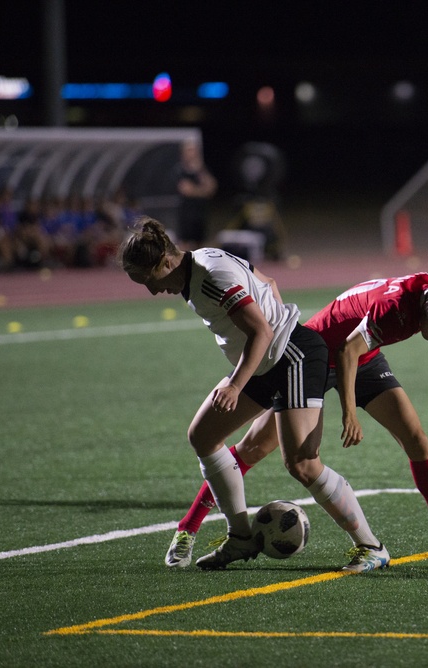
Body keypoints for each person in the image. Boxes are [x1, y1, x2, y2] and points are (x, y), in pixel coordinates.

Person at [164, 271, 428, 568]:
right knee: (258, 447)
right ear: (425, 313)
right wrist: (350, 413)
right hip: (316, 355)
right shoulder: (395, 310)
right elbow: (347, 354)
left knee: (416, 438)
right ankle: (189, 527)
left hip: (362, 354)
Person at [120, 216, 389, 573]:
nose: (152, 291)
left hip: (293, 355)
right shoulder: (202, 260)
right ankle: (241, 536)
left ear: (166, 262)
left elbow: (261, 330)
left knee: (303, 464)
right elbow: (268, 282)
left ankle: (372, 547)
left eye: (149, 281)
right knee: (203, 435)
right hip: (264, 362)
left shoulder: (212, 276)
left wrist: (236, 383)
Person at [175, 139, 217, 250]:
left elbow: (211, 188)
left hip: (200, 213)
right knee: (185, 247)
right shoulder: (179, 170)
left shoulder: (202, 170)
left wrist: (200, 170)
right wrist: (202, 191)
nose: (192, 153)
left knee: (201, 247)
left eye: (194, 150)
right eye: (189, 150)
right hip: (186, 215)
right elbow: (187, 190)